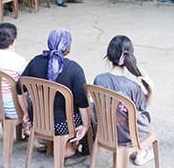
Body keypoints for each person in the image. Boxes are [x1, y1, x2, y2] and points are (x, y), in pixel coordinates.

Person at [19, 29, 90, 163]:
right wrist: (85, 126)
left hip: (38, 120)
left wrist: (26, 113)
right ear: (68, 47)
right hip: (63, 125)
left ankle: (49, 143)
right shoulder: (74, 69)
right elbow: (82, 103)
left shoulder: (35, 62)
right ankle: (69, 150)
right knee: (89, 113)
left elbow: (19, 89)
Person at [94, 35, 155, 166]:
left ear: (109, 55)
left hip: (107, 132)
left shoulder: (98, 80)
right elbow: (144, 106)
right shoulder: (132, 87)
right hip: (129, 136)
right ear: (129, 56)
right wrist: (151, 90)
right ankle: (140, 152)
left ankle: (139, 152)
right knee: (145, 115)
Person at [0, 23, 27, 119]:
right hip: (13, 109)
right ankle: (29, 129)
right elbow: (26, 83)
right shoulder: (19, 60)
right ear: (14, 41)